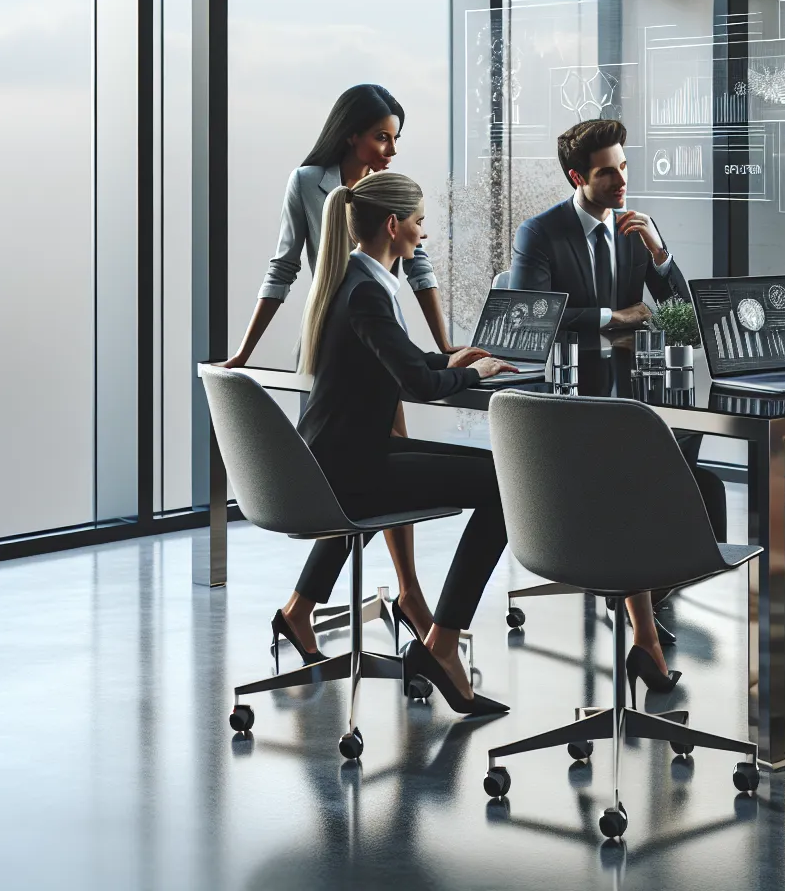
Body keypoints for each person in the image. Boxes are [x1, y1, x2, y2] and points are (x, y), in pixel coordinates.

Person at [267, 169, 516, 714]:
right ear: (393, 224)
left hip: (333, 461)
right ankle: (442, 646)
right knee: (506, 486)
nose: (423, 234)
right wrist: (473, 375)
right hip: (349, 473)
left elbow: (400, 363)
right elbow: (418, 386)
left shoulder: (355, 282)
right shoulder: (366, 294)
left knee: (493, 469)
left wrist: (450, 360)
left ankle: (306, 609)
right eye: (420, 222)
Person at [225, 84, 459, 640]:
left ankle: (333, 604)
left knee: (357, 474)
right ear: (351, 133)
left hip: (382, 341)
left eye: (395, 138)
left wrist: (444, 346)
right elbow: (282, 268)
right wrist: (246, 351)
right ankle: (403, 596)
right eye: (382, 137)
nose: (390, 150)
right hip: (336, 342)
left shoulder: (387, 192)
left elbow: (419, 269)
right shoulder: (309, 183)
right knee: (357, 472)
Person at [506, 117, 721, 685]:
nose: (622, 181)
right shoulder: (540, 234)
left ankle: (636, 588)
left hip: (632, 389)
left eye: (624, 167)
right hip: (570, 398)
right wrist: (612, 316)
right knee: (635, 481)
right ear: (578, 177)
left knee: (693, 464)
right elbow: (533, 315)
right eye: (608, 173)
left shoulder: (634, 229)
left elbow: (686, 319)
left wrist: (659, 254)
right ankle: (641, 620)